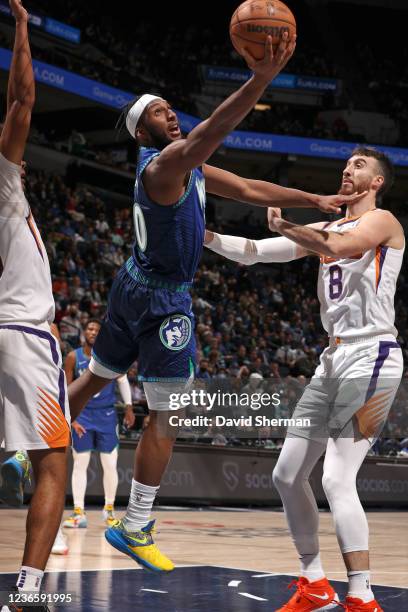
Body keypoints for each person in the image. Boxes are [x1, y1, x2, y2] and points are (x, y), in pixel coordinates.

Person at [67, 33, 365, 573]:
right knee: (167, 412)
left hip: (132, 283)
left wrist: (313, 198)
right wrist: (260, 78)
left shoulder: (187, 168)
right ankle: (135, 524)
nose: (170, 115)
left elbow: (250, 188)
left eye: (169, 107)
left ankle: (24, 442)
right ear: (142, 132)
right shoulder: (163, 165)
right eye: (157, 113)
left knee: (96, 376)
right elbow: (215, 130)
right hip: (162, 301)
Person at [205, 147, 404, 611]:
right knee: (287, 473)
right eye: (346, 165)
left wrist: (289, 226)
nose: (347, 171)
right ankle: (314, 583)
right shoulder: (324, 228)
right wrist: (205, 235)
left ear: (376, 182)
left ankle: (361, 595)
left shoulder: (384, 222)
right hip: (332, 361)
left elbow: (337, 249)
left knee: (336, 478)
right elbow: (254, 254)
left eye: (358, 166)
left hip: (372, 354)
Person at [0, 1, 70, 609]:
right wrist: (22, 28)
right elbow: (22, 98)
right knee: (55, 459)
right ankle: (28, 589)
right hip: (21, 332)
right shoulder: (1, 174)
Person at [63, 319, 134, 529]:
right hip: (82, 416)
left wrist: (129, 407)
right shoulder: (73, 357)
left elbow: (122, 379)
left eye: (97, 330)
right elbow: (67, 388)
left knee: (110, 464)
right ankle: (78, 513)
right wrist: (71, 417)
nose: (93, 332)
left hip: (107, 416)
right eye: (90, 329)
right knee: (80, 463)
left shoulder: (110, 355)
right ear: (84, 332)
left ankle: (109, 512)